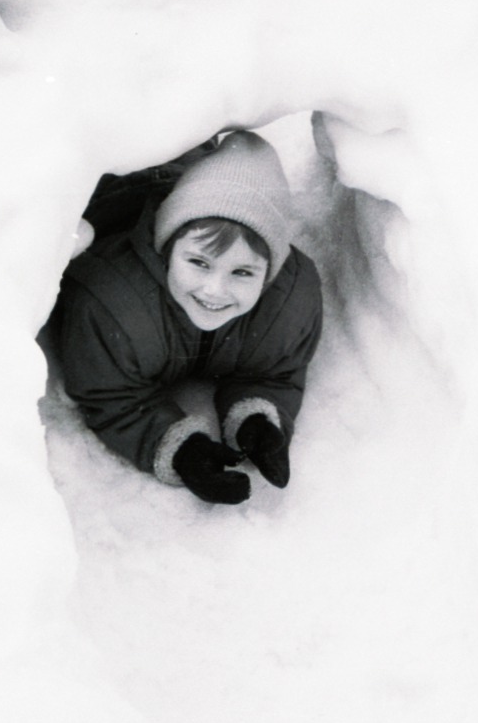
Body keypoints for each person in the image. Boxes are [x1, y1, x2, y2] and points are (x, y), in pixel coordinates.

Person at [50, 131, 323, 504]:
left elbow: (275, 371)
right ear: (167, 250)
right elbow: (110, 395)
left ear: (271, 271)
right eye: (198, 262)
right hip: (116, 193)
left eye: (242, 272)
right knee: (156, 138)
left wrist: (257, 418)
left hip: (190, 180)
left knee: (189, 151)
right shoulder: (112, 305)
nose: (214, 289)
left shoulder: (288, 301)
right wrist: (182, 450)